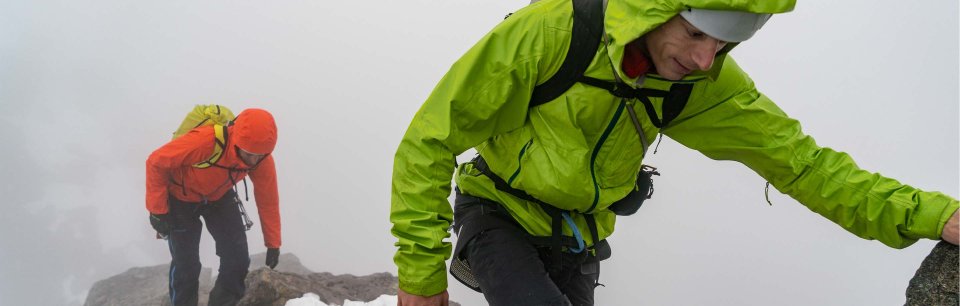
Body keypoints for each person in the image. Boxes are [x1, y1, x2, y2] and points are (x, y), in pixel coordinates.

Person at [390, 0, 960, 305]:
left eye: (724, 44)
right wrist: (419, 275)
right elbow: (428, 142)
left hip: (579, 234)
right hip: (497, 212)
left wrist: (935, 214)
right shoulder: (551, 35)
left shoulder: (701, 84)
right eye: (695, 34)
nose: (704, 60)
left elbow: (804, 166)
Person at [146, 108, 283, 306]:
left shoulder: (261, 158)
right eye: (248, 154)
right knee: (187, 265)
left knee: (237, 260)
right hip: (181, 199)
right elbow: (156, 162)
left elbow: (268, 199)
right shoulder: (206, 141)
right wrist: (158, 211)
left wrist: (273, 243)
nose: (253, 161)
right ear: (237, 141)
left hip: (219, 197)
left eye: (259, 155)